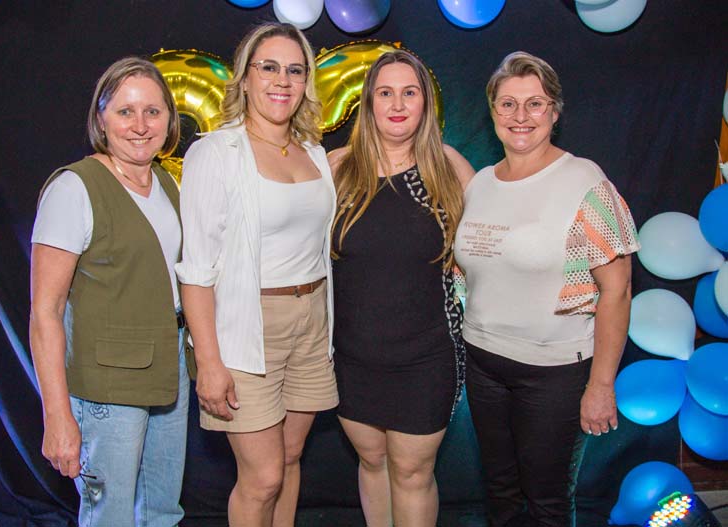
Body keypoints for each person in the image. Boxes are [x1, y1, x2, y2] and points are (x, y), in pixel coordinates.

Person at [454, 51, 640, 527]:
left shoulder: (583, 182)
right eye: (508, 104)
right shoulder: (481, 184)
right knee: (499, 493)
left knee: (548, 503)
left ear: (554, 112)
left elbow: (617, 292)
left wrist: (601, 385)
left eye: (534, 104)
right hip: (483, 364)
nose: (521, 116)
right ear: (492, 111)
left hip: (554, 374)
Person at [175, 23, 338, 527]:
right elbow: (196, 271)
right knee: (263, 477)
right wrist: (209, 362)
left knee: (289, 459)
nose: (282, 80)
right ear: (244, 78)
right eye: (268, 67)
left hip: (312, 321)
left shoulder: (313, 152)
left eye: (295, 70)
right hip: (248, 326)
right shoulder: (215, 153)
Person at [29, 57, 188, 526]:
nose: (140, 125)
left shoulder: (165, 182)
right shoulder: (74, 188)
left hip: (170, 368)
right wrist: (57, 414)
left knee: (162, 511)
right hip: (108, 384)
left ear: (169, 119)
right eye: (125, 111)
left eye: (152, 112)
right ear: (101, 119)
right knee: (110, 515)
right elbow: (45, 312)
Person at [328, 49, 475, 527]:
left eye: (409, 92)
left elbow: (493, 249)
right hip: (351, 357)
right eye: (385, 93)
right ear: (368, 102)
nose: (397, 104)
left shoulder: (448, 167)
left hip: (426, 357)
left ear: (425, 102)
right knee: (372, 462)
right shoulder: (337, 168)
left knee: (412, 472)